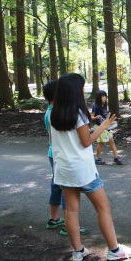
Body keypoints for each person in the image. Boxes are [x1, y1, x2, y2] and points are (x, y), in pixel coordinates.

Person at [50, 73, 131, 261]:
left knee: (71, 211)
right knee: (103, 207)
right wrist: (103, 126)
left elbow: (54, 141)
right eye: (81, 86)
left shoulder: (54, 113)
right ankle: (114, 250)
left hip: (63, 169)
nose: (83, 89)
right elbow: (87, 141)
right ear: (75, 90)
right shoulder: (79, 114)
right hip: (82, 170)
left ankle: (78, 252)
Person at [43, 80, 88, 237]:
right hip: (59, 155)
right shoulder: (55, 113)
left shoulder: (51, 111)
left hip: (54, 155)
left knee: (56, 186)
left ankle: (54, 219)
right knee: (65, 189)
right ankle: (67, 224)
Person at [91, 90, 122, 165]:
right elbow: (91, 117)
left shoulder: (105, 107)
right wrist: (96, 117)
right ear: (99, 98)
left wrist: (111, 123)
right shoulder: (95, 107)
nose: (104, 98)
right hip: (99, 127)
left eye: (105, 96)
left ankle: (116, 157)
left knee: (112, 141)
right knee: (101, 143)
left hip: (106, 127)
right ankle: (98, 158)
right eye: (103, 97)